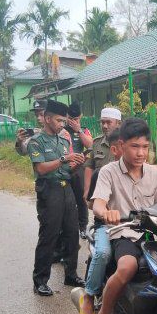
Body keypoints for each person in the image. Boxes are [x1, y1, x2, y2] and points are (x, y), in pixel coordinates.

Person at [89, 118, 157, 314]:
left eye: (145, 147)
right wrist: (106, 212)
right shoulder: (108, 172)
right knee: (127, 267)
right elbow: (98, 203)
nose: (141, 153)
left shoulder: (155, 174)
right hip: (123, 233)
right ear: (121, 145)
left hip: (151, 235)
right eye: (135, 146)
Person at [27, 100, 84, 296]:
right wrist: (64, 159)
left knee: (72, 233)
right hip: (49, 191)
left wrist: (77, 164)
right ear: (48, 118)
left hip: (66, 189)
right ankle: (40, 281)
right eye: (59, 120)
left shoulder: (64, 141)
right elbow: (41, 169)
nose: (62, 124)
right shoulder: (36, 142)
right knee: (49, 236)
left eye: (64, 121)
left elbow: (67, 169)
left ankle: (71, 274)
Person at [76, 128, 122, 314]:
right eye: (126, 146)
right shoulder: (103, 173)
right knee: (103, 253)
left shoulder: (146, 172)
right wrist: (105, 210)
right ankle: (89, 295)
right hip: (106, 226)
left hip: (134, 227)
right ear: (115, 149)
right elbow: (91, 203)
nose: (138, 152)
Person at [65, 102, 93, 238]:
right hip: (63, 168)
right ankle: (68, 228)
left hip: (79, 169)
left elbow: (91, 145)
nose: (73, 122)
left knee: (82, 200)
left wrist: (79, 130)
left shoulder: (84, 130)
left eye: (76, 119)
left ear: (80, 117)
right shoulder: (61, 130)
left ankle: (82, 227)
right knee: (67, 201)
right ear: (66, 116)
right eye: (70, 119)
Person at [83, 108, 122, 203]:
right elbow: (89, 166)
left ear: (118, 123)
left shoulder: (126, 143)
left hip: (121, 191)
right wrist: (87, 189)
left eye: (109, 122)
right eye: (102, 122)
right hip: (100, 192)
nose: (104, 126)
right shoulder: (96, 143)